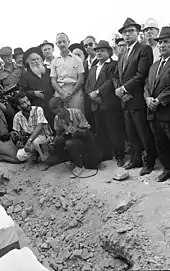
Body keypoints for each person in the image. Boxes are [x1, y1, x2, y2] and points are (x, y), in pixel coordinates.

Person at [116, 17, 157, 176]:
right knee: (130, 132)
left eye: (131, 31)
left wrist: (124, 88)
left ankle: (150, 162)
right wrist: (119, 90)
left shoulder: (143, 49)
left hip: (138, 98)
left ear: (137, 32)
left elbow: (141, 74)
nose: (127, 35)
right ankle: (135, 159)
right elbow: (116, 75)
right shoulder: (123, 51)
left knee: (144, 132)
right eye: (124, 32)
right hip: (125, 100)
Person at [85, 40, 125, 165]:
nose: (99, 53)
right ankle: (106, 154)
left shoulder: (113, 65)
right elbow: (87, 84)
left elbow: (110, 82)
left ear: (108, 52)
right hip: (96, 105)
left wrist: (97, 93)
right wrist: (91, 95)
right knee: (101, 131)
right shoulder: (94, 67)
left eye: (102, 50)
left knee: (114, 131)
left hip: (109, 103)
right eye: (97, 51)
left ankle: (120, 156)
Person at [48, 97, 100, 177]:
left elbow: (87, 131)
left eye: (59, 111)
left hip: (83, 139)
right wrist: (55, 137)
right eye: (55, 113)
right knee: (57, 142)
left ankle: (80, 166)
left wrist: (76, 130)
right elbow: (58, 134)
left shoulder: (76, 113)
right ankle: (73, 160)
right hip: (70, 138)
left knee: (70, 143)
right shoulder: (57, 118)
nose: (58, 114)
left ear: (64, 106)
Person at [144, 26, 170, 182]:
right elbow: (147, 85)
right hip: (154, 112)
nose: (162, 45)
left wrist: (159, 100)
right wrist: (148, 99)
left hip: (167, 110)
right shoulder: (154, 66)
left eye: (166, 42)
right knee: (161, 144)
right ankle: (167, 169)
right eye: (160, 43)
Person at [19, 47, 54, 128]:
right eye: (33, 60)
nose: (36, 61)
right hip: (37, 106)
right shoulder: (25, 76)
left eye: (38, 59)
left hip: (51, 104)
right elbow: (22, 92)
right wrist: (34, 93)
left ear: (41, 60)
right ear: (28, 62)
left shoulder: (48, 72)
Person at [12, 92, 52, 162]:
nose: (28, 104)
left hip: (44, 137)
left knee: (35, 141)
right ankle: (36, 153)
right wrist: (20, 141)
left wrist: (29, 141)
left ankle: (45, 159)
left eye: (27, 100)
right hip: (29, 140)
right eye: (23, 103)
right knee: (20, 156)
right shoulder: (17, 116)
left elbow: (40, 127)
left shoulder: (38, 109)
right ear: (19, 107)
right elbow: (17, 133)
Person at [50, 33, 84, 112]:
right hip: (60, 91)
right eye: (59, 42)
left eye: (64, 41)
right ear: (56, 44)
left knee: (77, 116)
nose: (62, 44)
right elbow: (53, 81)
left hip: (74, 91)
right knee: (62, 119)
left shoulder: (77, 59)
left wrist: (71, 93)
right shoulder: (54, 61)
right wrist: (62, 93)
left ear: (68, 42)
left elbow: (81, 79)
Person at [0, 47, 22, 131]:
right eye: (6, 57)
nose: (9, 58)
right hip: (8, 98)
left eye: (10, 56)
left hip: (21, 95)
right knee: (10, 114)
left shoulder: (19, 68)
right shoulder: (0, 72)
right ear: (2, 58)